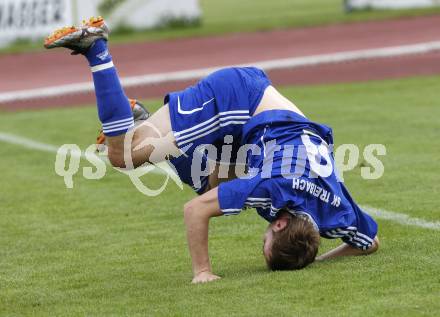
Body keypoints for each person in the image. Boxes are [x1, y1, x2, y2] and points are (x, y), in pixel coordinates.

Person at [45, 17, 379, 284]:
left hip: (256, 131)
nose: (261, 242)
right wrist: (202, 271)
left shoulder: (336, 212)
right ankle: (97, 48)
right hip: (238, 103)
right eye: (265, 244)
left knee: (210, 182)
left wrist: (317, 258)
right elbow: (195, 211)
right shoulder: (270, 189)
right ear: (279, 226)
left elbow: (368, 243)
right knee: (123, 156)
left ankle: (146, 124)